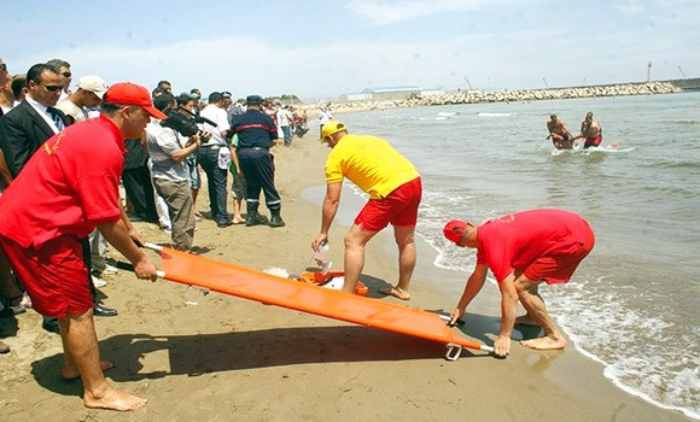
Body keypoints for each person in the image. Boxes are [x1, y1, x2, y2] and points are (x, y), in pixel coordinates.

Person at [0, 82, 163, 411]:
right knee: (78, 309)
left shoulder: (93, 132)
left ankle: (74, 365)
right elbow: (104, 219)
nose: (149, 122)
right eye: (145, 116)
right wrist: (139, 260)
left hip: (36, 221)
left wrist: (129, 229)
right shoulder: (101, 146)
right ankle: (97, 392)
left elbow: (106, 202)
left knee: (71, 303)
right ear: (127, 112)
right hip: (40, 230)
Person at [443, 208, 595, 357]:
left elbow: (510, 295)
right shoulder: (486, 232)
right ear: (470, 224)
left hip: (573, 240)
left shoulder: (492, 245)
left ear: (460, 245)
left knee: (520, 286)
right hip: (575, 226)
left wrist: (504, 336)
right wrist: (460, 307)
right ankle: (532, 317)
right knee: (520, 273)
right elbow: (478, 276)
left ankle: (554, 337)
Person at [312, 121, 422, 299]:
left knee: (353, 241)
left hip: (390, 191)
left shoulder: (335, 157)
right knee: (406, 240)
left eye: (327, 142)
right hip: (413, 181)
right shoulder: (371, 139)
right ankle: (402, 289)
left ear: (331, 138)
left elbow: (332, 199)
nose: (328, 146)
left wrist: (323, 232)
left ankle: (346, 295)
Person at [146, 93, 203, 250]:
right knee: (183, 217)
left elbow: (176, 150)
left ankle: (181, 246)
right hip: (172, 178)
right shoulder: (162, 130)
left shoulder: (154, 127)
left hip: (164, 174)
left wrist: (192, 142)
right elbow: (176, 155)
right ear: (169, 107)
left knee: (178, 214)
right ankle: (183, 249)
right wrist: (196, 145)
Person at [231, 95, 285, 227]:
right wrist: (263, 146)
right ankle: (275, 217)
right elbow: (274, 139)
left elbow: (230, 135)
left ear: (247, 104)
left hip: (243, 155)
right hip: (261, 154)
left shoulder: (238, 119)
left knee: (251, 185)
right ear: (260, 105)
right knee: (268, 184)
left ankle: (250, 217)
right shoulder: (266, 118)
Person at [198, 92, 233, 227]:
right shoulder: (220, 112)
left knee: (212, 181)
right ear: (220, 101)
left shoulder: (202, 112)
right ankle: (222, 216)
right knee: (220, 183)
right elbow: (224, 131)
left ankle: (214, 210)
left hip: (203, 150)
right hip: (217, 149)